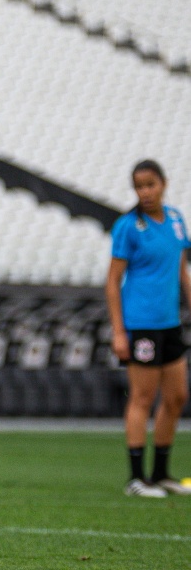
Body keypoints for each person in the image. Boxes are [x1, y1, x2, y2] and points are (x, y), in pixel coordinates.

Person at [106, 159, 191, 497]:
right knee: (142, 397)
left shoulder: (175, 221)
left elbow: (181, 272)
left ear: (163, 183)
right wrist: (118, 331)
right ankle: (136, 478)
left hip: (169, 323)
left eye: (150, 184)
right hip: (141, 323)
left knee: (177, 397)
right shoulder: (128, 227)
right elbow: (112, 282)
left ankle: (161, 473)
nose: (145, 192)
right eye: (139, 186)